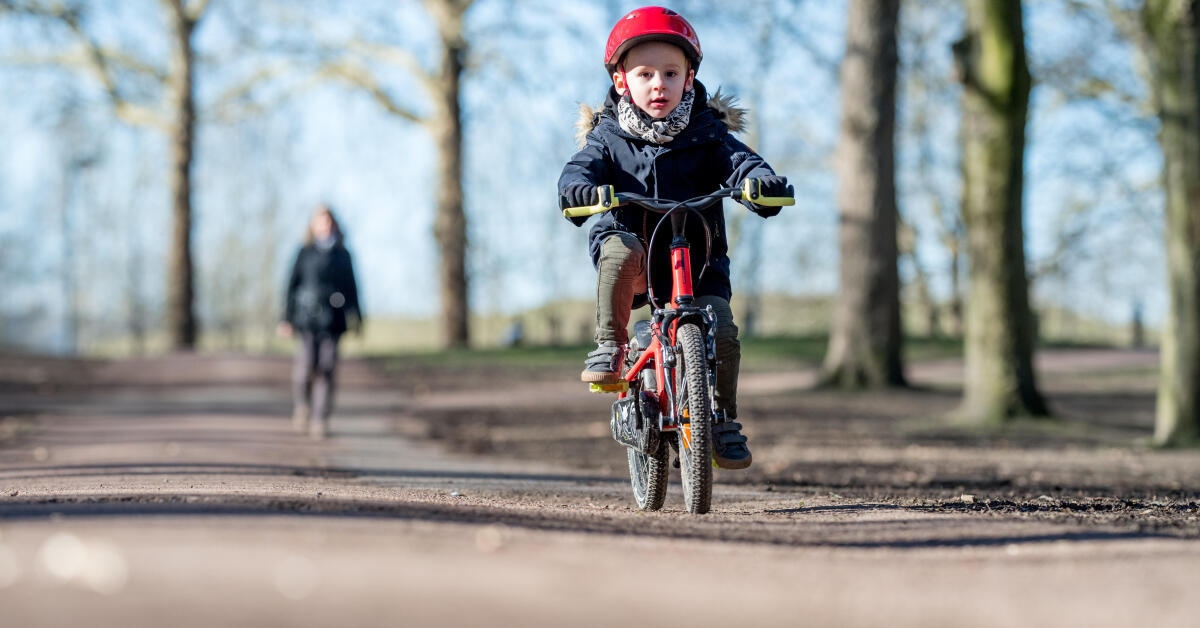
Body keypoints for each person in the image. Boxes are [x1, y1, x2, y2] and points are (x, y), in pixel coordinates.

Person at [557, 6, 791, 470]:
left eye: (671, 73)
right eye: (646, 74)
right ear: (623, 80)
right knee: (620, 251)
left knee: (722, 327)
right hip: (635, 249)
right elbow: (577, 172)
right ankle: (612, 343)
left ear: (689, 79)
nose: (659, 84)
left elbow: (743, 163)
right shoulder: (606, 138)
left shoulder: (709, 134)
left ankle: (722, 416)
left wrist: (761, 183)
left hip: (696, 256)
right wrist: (581, 189)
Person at [278, 205, 362, 440]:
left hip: (334, 319)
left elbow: (353, 288)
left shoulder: (343, 255)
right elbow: (290, 287)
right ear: (313, 225)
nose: (324, 226)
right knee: (305, 368)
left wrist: (357, 318)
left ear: (334, 225)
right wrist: (286, 318)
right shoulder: (304, 253)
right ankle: (302, 406)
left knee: (327, 368)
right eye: (320, 221)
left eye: (328, 221)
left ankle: (320, 418)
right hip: (306, 318)